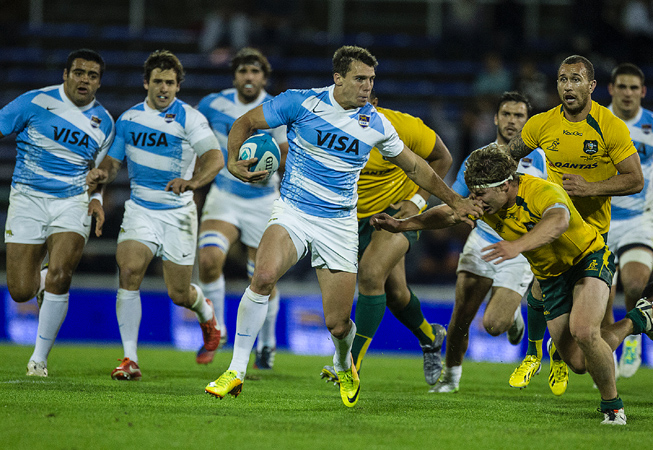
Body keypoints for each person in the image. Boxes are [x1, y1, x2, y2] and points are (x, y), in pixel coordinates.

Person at [203, 45, 482, 407]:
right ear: (338, 78)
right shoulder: (300, 103)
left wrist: (454, 200)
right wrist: (232, 159)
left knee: (337, 324)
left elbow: (417, 167)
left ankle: (343, 361)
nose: (367, 87)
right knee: (264, 276)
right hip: (293, 213)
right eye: (359, 79)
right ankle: (235, 371)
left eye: (371, 80)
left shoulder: (377, 123)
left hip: (338, 225)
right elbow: (246, 123)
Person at [371, 144, 653, 425]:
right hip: (551, 278)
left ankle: (613, 409)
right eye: (473, 193)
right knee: (579, 362)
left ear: (506, 185)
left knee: (584, 330)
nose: (475, 200)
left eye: (480, 193)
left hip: (587, 259)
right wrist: (402, 225)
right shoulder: (488, 201)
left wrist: (517, 246)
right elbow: (448, 214)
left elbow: (559, 220)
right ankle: (637, 319)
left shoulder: (542, 191)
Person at [506, 55, 644, 394]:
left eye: (576, 79)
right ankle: (534, 353)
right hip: (556, 229)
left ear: (592, 86)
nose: (568, 86)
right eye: (563, 79)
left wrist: (591, 187)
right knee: (538, 286)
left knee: (583, 353)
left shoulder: (608, 125)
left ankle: (635, 323)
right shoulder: (542, 124)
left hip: (593, 239)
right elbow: (509, 154)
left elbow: (635, 179)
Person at [86, 50, 224, 381]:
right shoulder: (130, 119)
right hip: (141, 209)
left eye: (170, 83)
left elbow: (215, 157)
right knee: (129, 270)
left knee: (179, 294)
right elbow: (114, 161)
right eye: (158, 81)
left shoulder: (190, 118)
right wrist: (102, 174)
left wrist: (193, 181)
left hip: (178, 214)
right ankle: (130, 359)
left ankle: (206, 314)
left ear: (178, 87)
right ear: (146, 83)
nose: (164, 88)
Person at [319, 90, 452, 387]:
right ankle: (431, 338)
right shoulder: (328, 127)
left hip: (396, 215)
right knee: (396, 294)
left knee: (370, 273)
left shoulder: (402, 126)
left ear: (375, 104)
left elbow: (442, 157)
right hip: (349, 220)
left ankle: (351, 364)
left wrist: (417, 200)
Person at [0, 49, 115, 377]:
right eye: (79, 72)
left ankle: (39, 360)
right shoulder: (34, 101)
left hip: (72, 200)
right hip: (28, 198)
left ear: (99, 83)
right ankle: (42, 281)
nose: (85, 80)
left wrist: (97, 197)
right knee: (21, 291)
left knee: (62, 274)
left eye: (92, 76)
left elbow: (100, 171)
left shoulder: (105, 123)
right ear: (66, 74)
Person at [431, 92, 548, 394]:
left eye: (519, 115)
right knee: (461, 315)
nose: (512, 121)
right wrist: (458, 214)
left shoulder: (543, 158)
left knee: (494, 325)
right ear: (496, 119)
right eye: (506, 114)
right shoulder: (478, 158)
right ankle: (451, 378)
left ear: (528, 121)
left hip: (519, 249)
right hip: (483, 240)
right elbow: (457, 199)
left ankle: (512, 320)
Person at [195, 47, 289, 368]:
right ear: (234, 75)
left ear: (264, 77)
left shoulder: (277, 108)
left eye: (255, 71)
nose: (249, 77)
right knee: (208, 259)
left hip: (263, 201)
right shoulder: (212, 104)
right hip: (224, 195)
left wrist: (273, 162)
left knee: (262, 275)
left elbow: (287, 153)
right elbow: (194, 137)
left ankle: (267, 343)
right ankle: (218, 330)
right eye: (243, 71)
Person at [605, 63, 653, 378]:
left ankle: (632, 340)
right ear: (611, 89)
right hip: (601, 221)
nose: (627, 93)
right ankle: (604, 356)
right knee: (601, 298)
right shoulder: (598, 121)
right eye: (621, 86)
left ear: (643, 92)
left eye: (633, 87)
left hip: (639, 220)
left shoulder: (651, 125)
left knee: (636, 283)